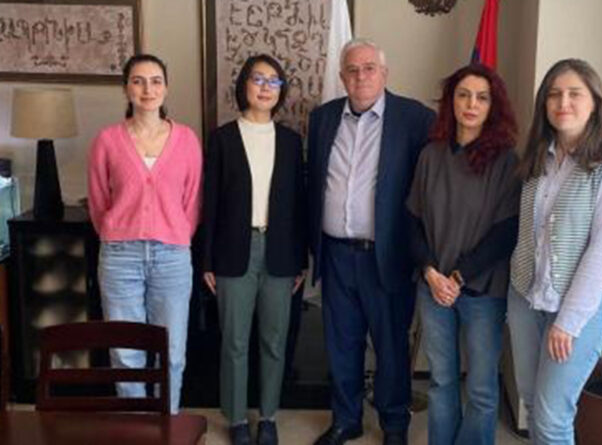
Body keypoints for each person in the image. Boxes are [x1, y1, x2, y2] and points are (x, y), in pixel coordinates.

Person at [306, 38, 435, 445]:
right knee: (341, 344)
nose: (360, 76)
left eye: (369, 68)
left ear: (384, 74)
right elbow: (314, 182)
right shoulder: (323, 118)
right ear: (342, 76)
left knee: (391, 346)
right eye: (352, 70)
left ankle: (394, 425)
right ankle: (346, 419)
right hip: (335, 254)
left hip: (386, 255)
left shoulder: (415, 118)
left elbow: (428, 187)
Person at [507, 58, 602, 444]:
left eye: (574, 94)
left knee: (552, 418)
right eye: (554, 94)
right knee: (533, 404)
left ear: (595, 103)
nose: (563, 102)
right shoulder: (538, 156)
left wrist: (568, 321)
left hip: (579, 308)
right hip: (526, 298)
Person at [406, 64, 521, 445]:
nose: (471, 104)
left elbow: (505, 232)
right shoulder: (430, 155)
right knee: (441, 382)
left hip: (483, 291)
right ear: (450, 102)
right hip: (433, 287)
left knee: (482, 388)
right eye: (463, 95)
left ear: (493, 106)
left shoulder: (506, 161)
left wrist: (457, 277)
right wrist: (430, 272)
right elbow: (412, 221)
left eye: (481, 97)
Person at [87, 53, 202, 414]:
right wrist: (118, 232)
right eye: (138, 81)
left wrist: (174, 233)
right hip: (120, 257)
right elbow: (98, 201)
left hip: (172, 257)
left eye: (155, 81)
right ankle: (136, 429)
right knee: (125, 351)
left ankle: (167, 423)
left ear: (166, 88)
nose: (147, 89)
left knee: (172, 351)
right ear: (126, 89)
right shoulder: (107, 140)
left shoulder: (186, 140)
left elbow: (192, 201)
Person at [202, 54, 307, 445]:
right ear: (244, 84)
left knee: (274, 341)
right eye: (257, 79)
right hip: (233, 252)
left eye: (273, 81)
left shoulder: (292, 142)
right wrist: (207, 260)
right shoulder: (222, 138)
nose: (265, 87)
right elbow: (210, 203)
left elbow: (298, 205)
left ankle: (268, 416)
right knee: (234, 341)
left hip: (280, 254)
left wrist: (301, 260)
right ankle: (236, 419)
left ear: (281, 90)